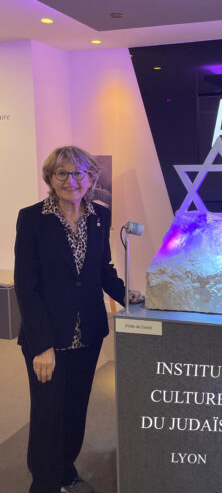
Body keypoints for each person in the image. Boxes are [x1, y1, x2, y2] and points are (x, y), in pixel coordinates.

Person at [14, 146, 143, 493]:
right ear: (50, 178)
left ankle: (64, 470)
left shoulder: (99, 216)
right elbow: (26, 286)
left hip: (87, 333)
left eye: (78, 173)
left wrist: (127, 294)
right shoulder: (33, 218)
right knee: (48, 414)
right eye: (62, 173)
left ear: (91, 178)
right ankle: (44, 483)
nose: (70, 180)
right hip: (48, 338)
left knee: (75, 409)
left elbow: (103, 269)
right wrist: (42, 346)